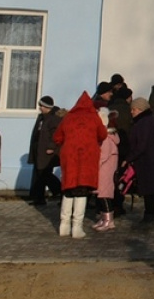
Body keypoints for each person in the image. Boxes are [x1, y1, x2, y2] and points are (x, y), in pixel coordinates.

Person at [52, 92, 107, 238]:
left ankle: (63, 226)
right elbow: (103, 135)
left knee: (68, 189)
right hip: (87, 157)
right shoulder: (94, 118)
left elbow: (57, 137)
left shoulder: (68, 117)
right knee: (82, 190)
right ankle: (77, 227)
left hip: (69, 156)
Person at [125, 97, 154, 224]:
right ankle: (149, 215)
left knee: (149, 189)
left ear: (139, 109)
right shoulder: (149, 120)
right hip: (152, 159)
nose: (131, 112)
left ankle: (149, 217)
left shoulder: (144, 122)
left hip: (149, 161)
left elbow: (141, 145)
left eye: (133, 109)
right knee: (151, 189)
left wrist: (129, 158)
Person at [27, 95, 64, 206]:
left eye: (42, 106)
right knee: (39, 174)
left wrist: (51, 147)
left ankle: (59, 191)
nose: (40, 108)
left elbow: (55, 134)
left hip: (47, 151)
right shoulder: (42, 117)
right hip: (39, 149)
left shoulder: (53, 118)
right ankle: (39, 198)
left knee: (44, 173)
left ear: (47, 107)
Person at [92, 109, 120, 232]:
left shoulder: (106, 139)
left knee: (104, 194)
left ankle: (109, 220)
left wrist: (95, 165)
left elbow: (103, 155)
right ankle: (104, 218)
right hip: (104, 169)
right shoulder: (107, 137)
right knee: (101, 194)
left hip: (105, 170)